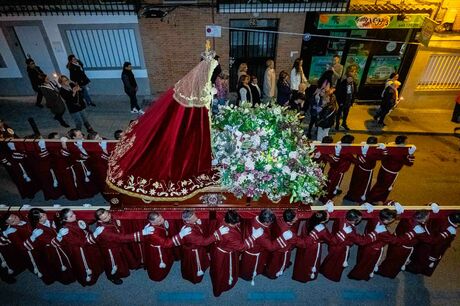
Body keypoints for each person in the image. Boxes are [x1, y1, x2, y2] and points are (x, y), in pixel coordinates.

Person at [106, 47, 220, 201]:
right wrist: (210, 94)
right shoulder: (195, 83)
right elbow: (198, 106)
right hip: (189, 124)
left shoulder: (196, 79)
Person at [347, 206, 418, 281]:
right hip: (373, 250)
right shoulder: (383, 231)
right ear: (387, 221)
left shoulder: (375, 215)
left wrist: (393, 203)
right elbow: (395, 240)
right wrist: (413, 233)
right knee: (366, 264)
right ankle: (357, 276)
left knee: (361, 260)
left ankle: (356, 274)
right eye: (392, 220)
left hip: (366, 243)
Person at [87, 208, 154, 285]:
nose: (109, 217)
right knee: (112, 264)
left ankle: (130, 266)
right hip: (111, 250)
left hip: (119, 245)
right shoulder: (104, 231)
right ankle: (112, 277)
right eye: (105, 218)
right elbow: (122, 238)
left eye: (108, 214)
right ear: (100, 220)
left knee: (125, 257)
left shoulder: (109, 219)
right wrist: (142, 233)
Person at [210, 210, 264, 297]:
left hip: (221, 251)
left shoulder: (223, 219)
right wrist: (254, 236)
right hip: (225, 255)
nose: (238, 224)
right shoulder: (229, 234)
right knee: (222, 272)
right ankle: (219, 288)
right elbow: (241, 247)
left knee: (218, 269)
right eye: (235, 223)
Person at [319, 209, 379, 282]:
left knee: (331, 258)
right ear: (353, 221)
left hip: (334, 244)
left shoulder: (341, 217)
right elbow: (362, 241)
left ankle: (324, 270)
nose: (360, 221)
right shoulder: (350, 231)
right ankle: (331, 275)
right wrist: (375, 233)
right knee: (337, 263)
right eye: (359, 220)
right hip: (342, 248)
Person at [239, 209, 293, 285]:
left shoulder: (254, 218)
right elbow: (271, 247)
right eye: (270, 223)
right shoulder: (261, 234)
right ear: (266, 222)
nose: (270, 224)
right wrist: (283, 237)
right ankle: (246, 276)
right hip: (254, 253)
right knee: (250, 268)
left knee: (248, 264)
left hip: (252, 249)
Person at [24, 208, 75, 285]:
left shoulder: (50, 221)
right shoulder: (38, 231)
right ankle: (67, 279)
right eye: (41, 216)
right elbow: (52, 243)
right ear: (37, 220)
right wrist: (60, 235)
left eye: (43, 213)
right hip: (53, 251)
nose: (45, 216)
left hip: (62, 246)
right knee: (61, 265)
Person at [179, 209, 229, 284]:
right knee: (194, 267)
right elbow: (204, 242)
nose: (196, 218)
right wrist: (218, 233)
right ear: (188, 221)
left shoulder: (191, 223)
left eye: (195, 215)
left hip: (198, 249)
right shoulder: (189, 232)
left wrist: (197, 223)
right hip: (193, 253)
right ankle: (195, 278)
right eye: (194, 218)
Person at [55, 208, 103, 286]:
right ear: (65, 220)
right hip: (80, 251)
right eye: (71, 216)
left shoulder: (74, 221)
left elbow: (84, 225)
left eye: (73, 213)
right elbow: (80, 242)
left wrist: (90, 222)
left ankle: (97, 270)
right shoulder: (66, 231)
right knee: (85, 264)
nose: (75, 215)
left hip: (86, 246)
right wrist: (95, 235)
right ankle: (88, 280)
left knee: (93, 258)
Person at [406, 212, 460, 276]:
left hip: (423, 239)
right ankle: (413, 269)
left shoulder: (442, 216)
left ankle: (410, 262)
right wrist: (434, 256)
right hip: (430, 248)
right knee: (422, 261)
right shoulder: (450, 232)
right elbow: (440, 245)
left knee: (417, 254)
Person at [143, 211, 192, 282]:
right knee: (157, 264)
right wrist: (180, 235)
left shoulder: (156, 224)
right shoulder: (153, 233)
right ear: (152, 223)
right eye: (159, 220)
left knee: (167, 258)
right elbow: (167, 243)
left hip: (162, 247)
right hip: (157, 251)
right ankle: (158, 276)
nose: (162, 220)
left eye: (161, 217)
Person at [367, 135, 415, 204]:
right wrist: (411, 154)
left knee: (380, 185)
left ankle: (376, 199)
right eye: (406, 141)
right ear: (402, 143)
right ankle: (371, 200)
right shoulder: (400, 152)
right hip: (390, 174)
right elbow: (409, 163)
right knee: (383, 188)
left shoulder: (390, 146)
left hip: (383, 170)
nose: (407, 142)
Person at [292, 210, 332, 283]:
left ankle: (298, 275)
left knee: (301, 260)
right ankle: (305, 277)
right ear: (322, 221)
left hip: (303, 244)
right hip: (313, 248)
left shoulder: (308, 221)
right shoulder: (322, 229)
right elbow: (330, 240)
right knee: (309, 262)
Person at [344, 137, 387, 202]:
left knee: (355, 182)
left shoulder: (361, 147)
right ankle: (359, 197)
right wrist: (384, 149)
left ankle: (351, 194)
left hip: (358, 168)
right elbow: (383, 156)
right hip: (366, 171)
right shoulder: (372, 152)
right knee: (363, 185)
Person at [264, 209, 299, 279]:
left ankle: (269, 269)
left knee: (273, 259)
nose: (297, 218)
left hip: (276, 242)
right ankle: (273, 274)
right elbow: (298, 242)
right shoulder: (288, 231)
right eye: (295, 217)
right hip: (283, 249)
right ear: (290, 220)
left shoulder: (280, 219)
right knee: (280, 262)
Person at [322, 135, 357, 201]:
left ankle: (325, 193)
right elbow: (355, 161)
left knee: (329, 182)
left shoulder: (338, 146)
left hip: (333, 169)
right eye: (352, 141)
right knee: (332, 185)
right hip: (338, 172)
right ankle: (327, 198)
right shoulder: (347, 153)